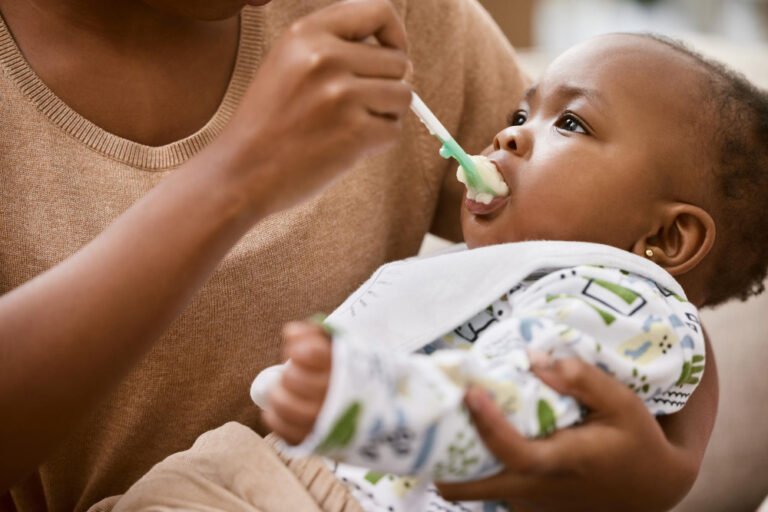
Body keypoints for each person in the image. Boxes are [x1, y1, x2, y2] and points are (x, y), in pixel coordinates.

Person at [0, 0, 718, 511]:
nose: (507, 135)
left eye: (560, 123)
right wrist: (234, 179)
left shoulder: (402, 20)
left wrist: (666, 469)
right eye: (519, 116)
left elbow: (633, 285)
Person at [256, 32, 768, 511]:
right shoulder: (530, 277)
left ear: (666, 237)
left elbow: (509, 407)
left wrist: (359, 400)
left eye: (571, 123)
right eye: (521, 114)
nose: (508, 136)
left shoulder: (624, 305)